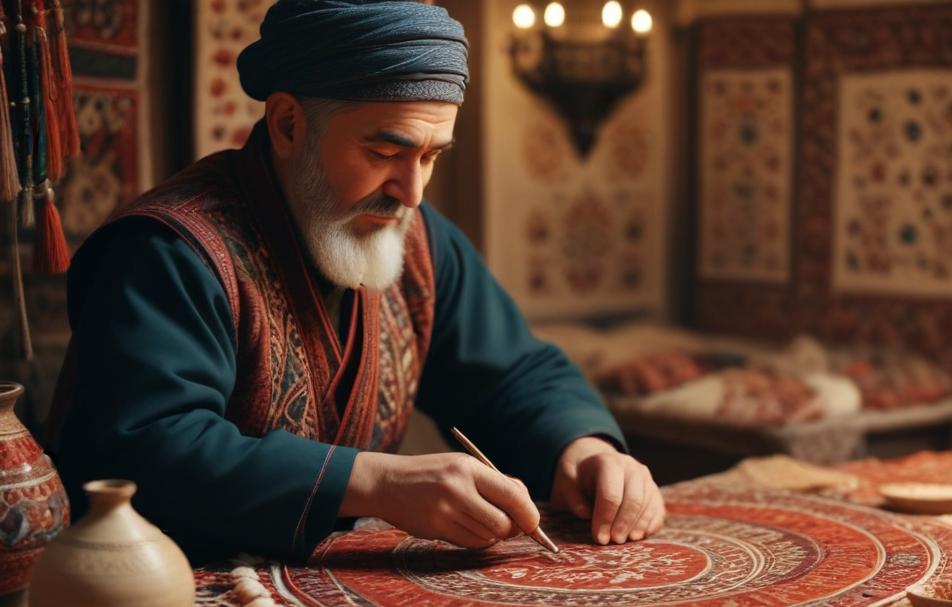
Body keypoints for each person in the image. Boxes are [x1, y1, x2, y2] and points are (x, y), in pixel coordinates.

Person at [47, 0, 665, 562]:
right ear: (289, 124)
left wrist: (582, 450)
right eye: (384, 151)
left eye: (431, 156)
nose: (412, 191)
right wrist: (375, 481)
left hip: (332, 594)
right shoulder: (169, 251)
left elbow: (513, 374)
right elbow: (143, 448)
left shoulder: (420, 242)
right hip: (160, 590)